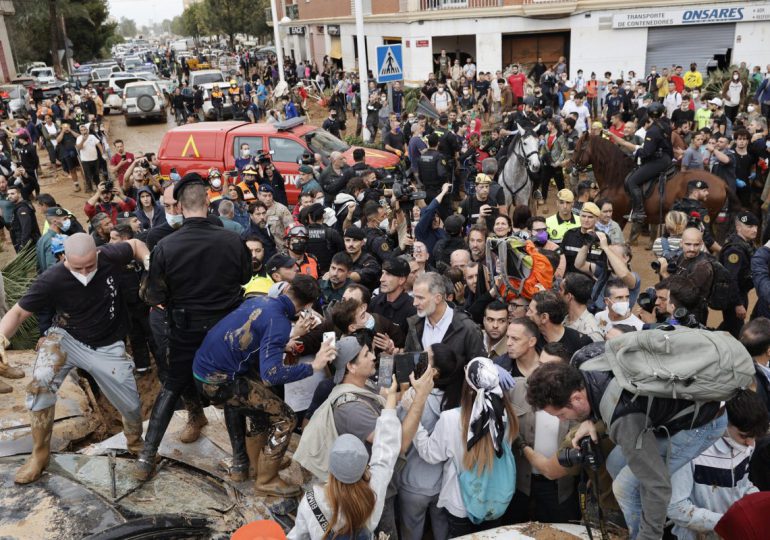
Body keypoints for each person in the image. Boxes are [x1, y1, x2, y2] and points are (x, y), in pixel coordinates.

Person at [1, 233, 149, 483]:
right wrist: (1, 338)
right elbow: (17, 313)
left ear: (98, 255)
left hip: (107, 344)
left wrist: (148, 260)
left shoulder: (110, 255)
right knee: (40, 383)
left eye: (90, 266)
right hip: (66, 337)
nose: (84, 272)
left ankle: (136, 445)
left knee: (131, 404)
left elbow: (135, 245)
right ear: (64, 259)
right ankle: (40, 454)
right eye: (77, 267)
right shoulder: (52, 279)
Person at [526, 359, 728, 540]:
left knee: (625, 486)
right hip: (668, 413)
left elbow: (657, 485)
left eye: (561, 414)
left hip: (704, 423)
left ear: (577, 398)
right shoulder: (586, 363)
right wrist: (590, 419)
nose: (562, 420)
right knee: (615, 463)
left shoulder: (624, 419)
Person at [137, 174, 252, 481]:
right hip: (225, 329)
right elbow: (244, 277)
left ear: (180, 207)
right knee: (229, 390)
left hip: (185, 329)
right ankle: (240, 462)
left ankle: (146, 459)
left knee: (172, 385)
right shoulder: (232, 240)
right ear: (206, 202)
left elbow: (156, 296)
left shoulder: (165, 246)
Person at [194, 275, 331, 496]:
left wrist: (283, 345)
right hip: (218, 381)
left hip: (204, 371)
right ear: (308, 305)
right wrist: (314, 366)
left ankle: (258, 465)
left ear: (287, 288)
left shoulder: (261, 301)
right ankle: (267, 480)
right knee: (286, 418)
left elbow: (254, 337)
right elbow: (271, 375)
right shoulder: (279, 321)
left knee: (261, 410)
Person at [412, 356, 518, 537]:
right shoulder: (506, 415)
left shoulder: (451, 419)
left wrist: (414, 422)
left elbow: (430, 454)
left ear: (467, 386)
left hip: (460, 502)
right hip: (496, 499)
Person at [289, 377, 402, 540]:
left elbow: (298, 536)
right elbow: (385, 450)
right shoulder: (373, 492)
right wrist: (391, 399)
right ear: (365, 467)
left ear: (331, 468)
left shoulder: (313, 499)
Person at [405, 272, 485, 360]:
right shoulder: (415, 325)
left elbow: (479, 368)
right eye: (414, 297)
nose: (414, 303)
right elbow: (409, 362)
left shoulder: (468, 328)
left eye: (420, 298)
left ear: (438, 298)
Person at [624, 102, 673, 223]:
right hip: (666, 158)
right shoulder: (666, 125)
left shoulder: (652, 131)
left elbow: (647, 152)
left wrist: (636, 150)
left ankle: (639, 211)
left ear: (648, 115)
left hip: (657, 161)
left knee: (632, 181)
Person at [719, 211, 758, 337]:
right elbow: (731, 279)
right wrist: (738, 304)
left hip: (741, 293)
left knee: (731, 326)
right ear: (738, 228)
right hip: (734, 296)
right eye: (750, 227)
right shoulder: (735, 249)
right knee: (735, 331)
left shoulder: (746, 244)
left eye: (756, 226)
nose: (755, 230)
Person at [527, 290, 592, 357]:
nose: (527, 314)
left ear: (544, 317)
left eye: (531, 311)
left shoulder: (580, 343)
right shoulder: (531, 339)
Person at [369, 257, 417, 333]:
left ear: (401, 280)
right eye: (383, 273)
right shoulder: (374, 302)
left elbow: (412, 343)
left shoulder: (412, 309)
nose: (382, 279)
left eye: (388, 274)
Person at [561, 272, 603, 342]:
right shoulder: (566, 319)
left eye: (561, 290)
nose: (558, 293)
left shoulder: (591, 332)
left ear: (569, 296)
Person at [343, 226, 382, 292]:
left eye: (355, 240)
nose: (351, 244)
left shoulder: (370, 260)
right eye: (347, 240)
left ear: (362, 242)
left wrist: (337, 275)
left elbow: (359, 275)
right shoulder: (342, 257)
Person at [7, 184, 40, 252]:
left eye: (12, 193)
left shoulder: (22, 209)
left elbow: (26, 228)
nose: (9, 196)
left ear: (19, 194)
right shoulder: (22, 205)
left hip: (29, 246)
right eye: (8, 194)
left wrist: (23, 245)